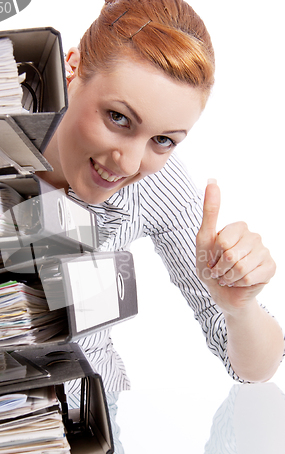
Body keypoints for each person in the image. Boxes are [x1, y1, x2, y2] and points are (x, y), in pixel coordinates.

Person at [39, 0, 284, 390]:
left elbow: (255, 369)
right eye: (118, 117)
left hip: (84, 423)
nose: (130, 162)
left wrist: (239, 308)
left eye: (163, 140)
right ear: (73, 66)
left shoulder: (156, 183)